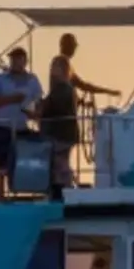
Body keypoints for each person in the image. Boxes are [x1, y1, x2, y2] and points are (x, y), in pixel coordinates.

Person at [0, 46, 42, 199]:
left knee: (23, 162)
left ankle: (22, 193)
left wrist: (37, 116)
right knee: (1, 167)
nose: (15, 62)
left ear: (25, 60)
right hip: (1, 126)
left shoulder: (33, 80)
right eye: (13, 59)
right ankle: (0, 199)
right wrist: (12, 99)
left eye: (18, 59)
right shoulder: (0, 78)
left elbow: (39, 103)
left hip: (22, 126)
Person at [40, 55, 79, 200]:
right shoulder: (61, 89)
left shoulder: (64, 88)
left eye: (55, 66)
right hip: (61, 133)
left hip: (61, 133)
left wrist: (40, 109)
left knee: (60, 163)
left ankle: (66, 189)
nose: (51, 69)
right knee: (57, 164)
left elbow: (55, 106)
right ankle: (60, 190)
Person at [57, 33, 121, 99]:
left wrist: (108, 91)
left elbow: (82, 85)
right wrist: (109, 92)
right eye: (73, 47)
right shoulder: (64, 63)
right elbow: (81, 86)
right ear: (69, 47)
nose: (74, 50)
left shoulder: (59, 62)